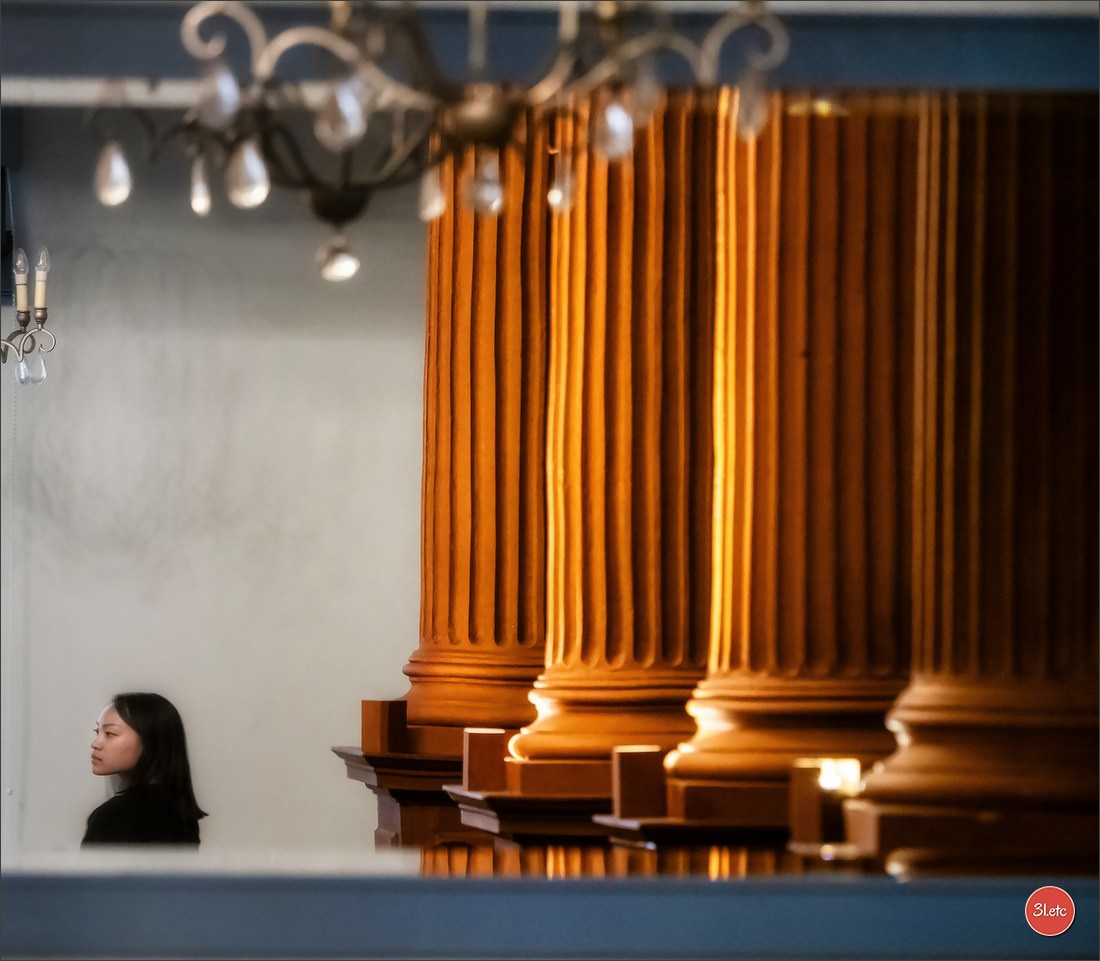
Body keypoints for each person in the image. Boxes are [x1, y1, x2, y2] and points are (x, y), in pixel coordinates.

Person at [82, 692, 207, 846]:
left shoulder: (114, 817)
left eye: (110, 733)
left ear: (150, 741)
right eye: (97, 732)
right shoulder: (183, 816)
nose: (96, 743)